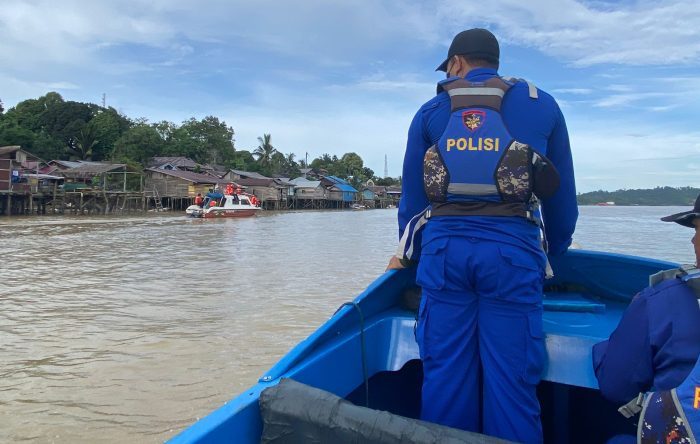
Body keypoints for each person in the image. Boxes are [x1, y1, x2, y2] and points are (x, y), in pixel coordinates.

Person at [387, 28, 578, 443]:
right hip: (514, 257)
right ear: (495, 62)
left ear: (456, 63)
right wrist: (556, 254)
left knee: (444, 380)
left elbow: (413, 207)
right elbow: (562, 204)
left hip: (443, 258)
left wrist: (410, 257)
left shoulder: (431, 110)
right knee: (512, 386)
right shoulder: (542, 105)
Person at [593, 195, 700, 407]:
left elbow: (615, 388)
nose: (693, 240)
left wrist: (602, 349)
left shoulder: (663, 301)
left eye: (698, 229)